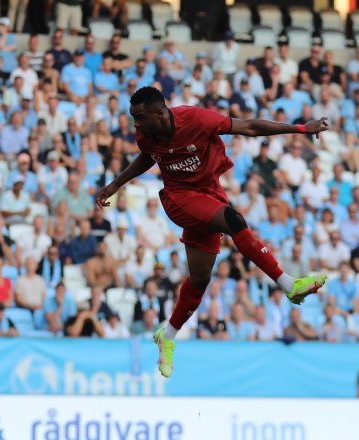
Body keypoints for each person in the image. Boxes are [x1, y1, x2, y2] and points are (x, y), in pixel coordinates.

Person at [95, 86, 330, 378]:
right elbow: (147, 155)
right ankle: (288, 284)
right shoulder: (146, 134)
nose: (136, 124)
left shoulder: (197, 120)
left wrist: (299, 128)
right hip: (179, 198)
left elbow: (250, 127)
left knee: (200, 278)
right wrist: (116, 184)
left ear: (160, 113)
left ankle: (167, 335)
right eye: (134, 118)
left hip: (208, 194)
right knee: (234, 220)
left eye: (140, 117)